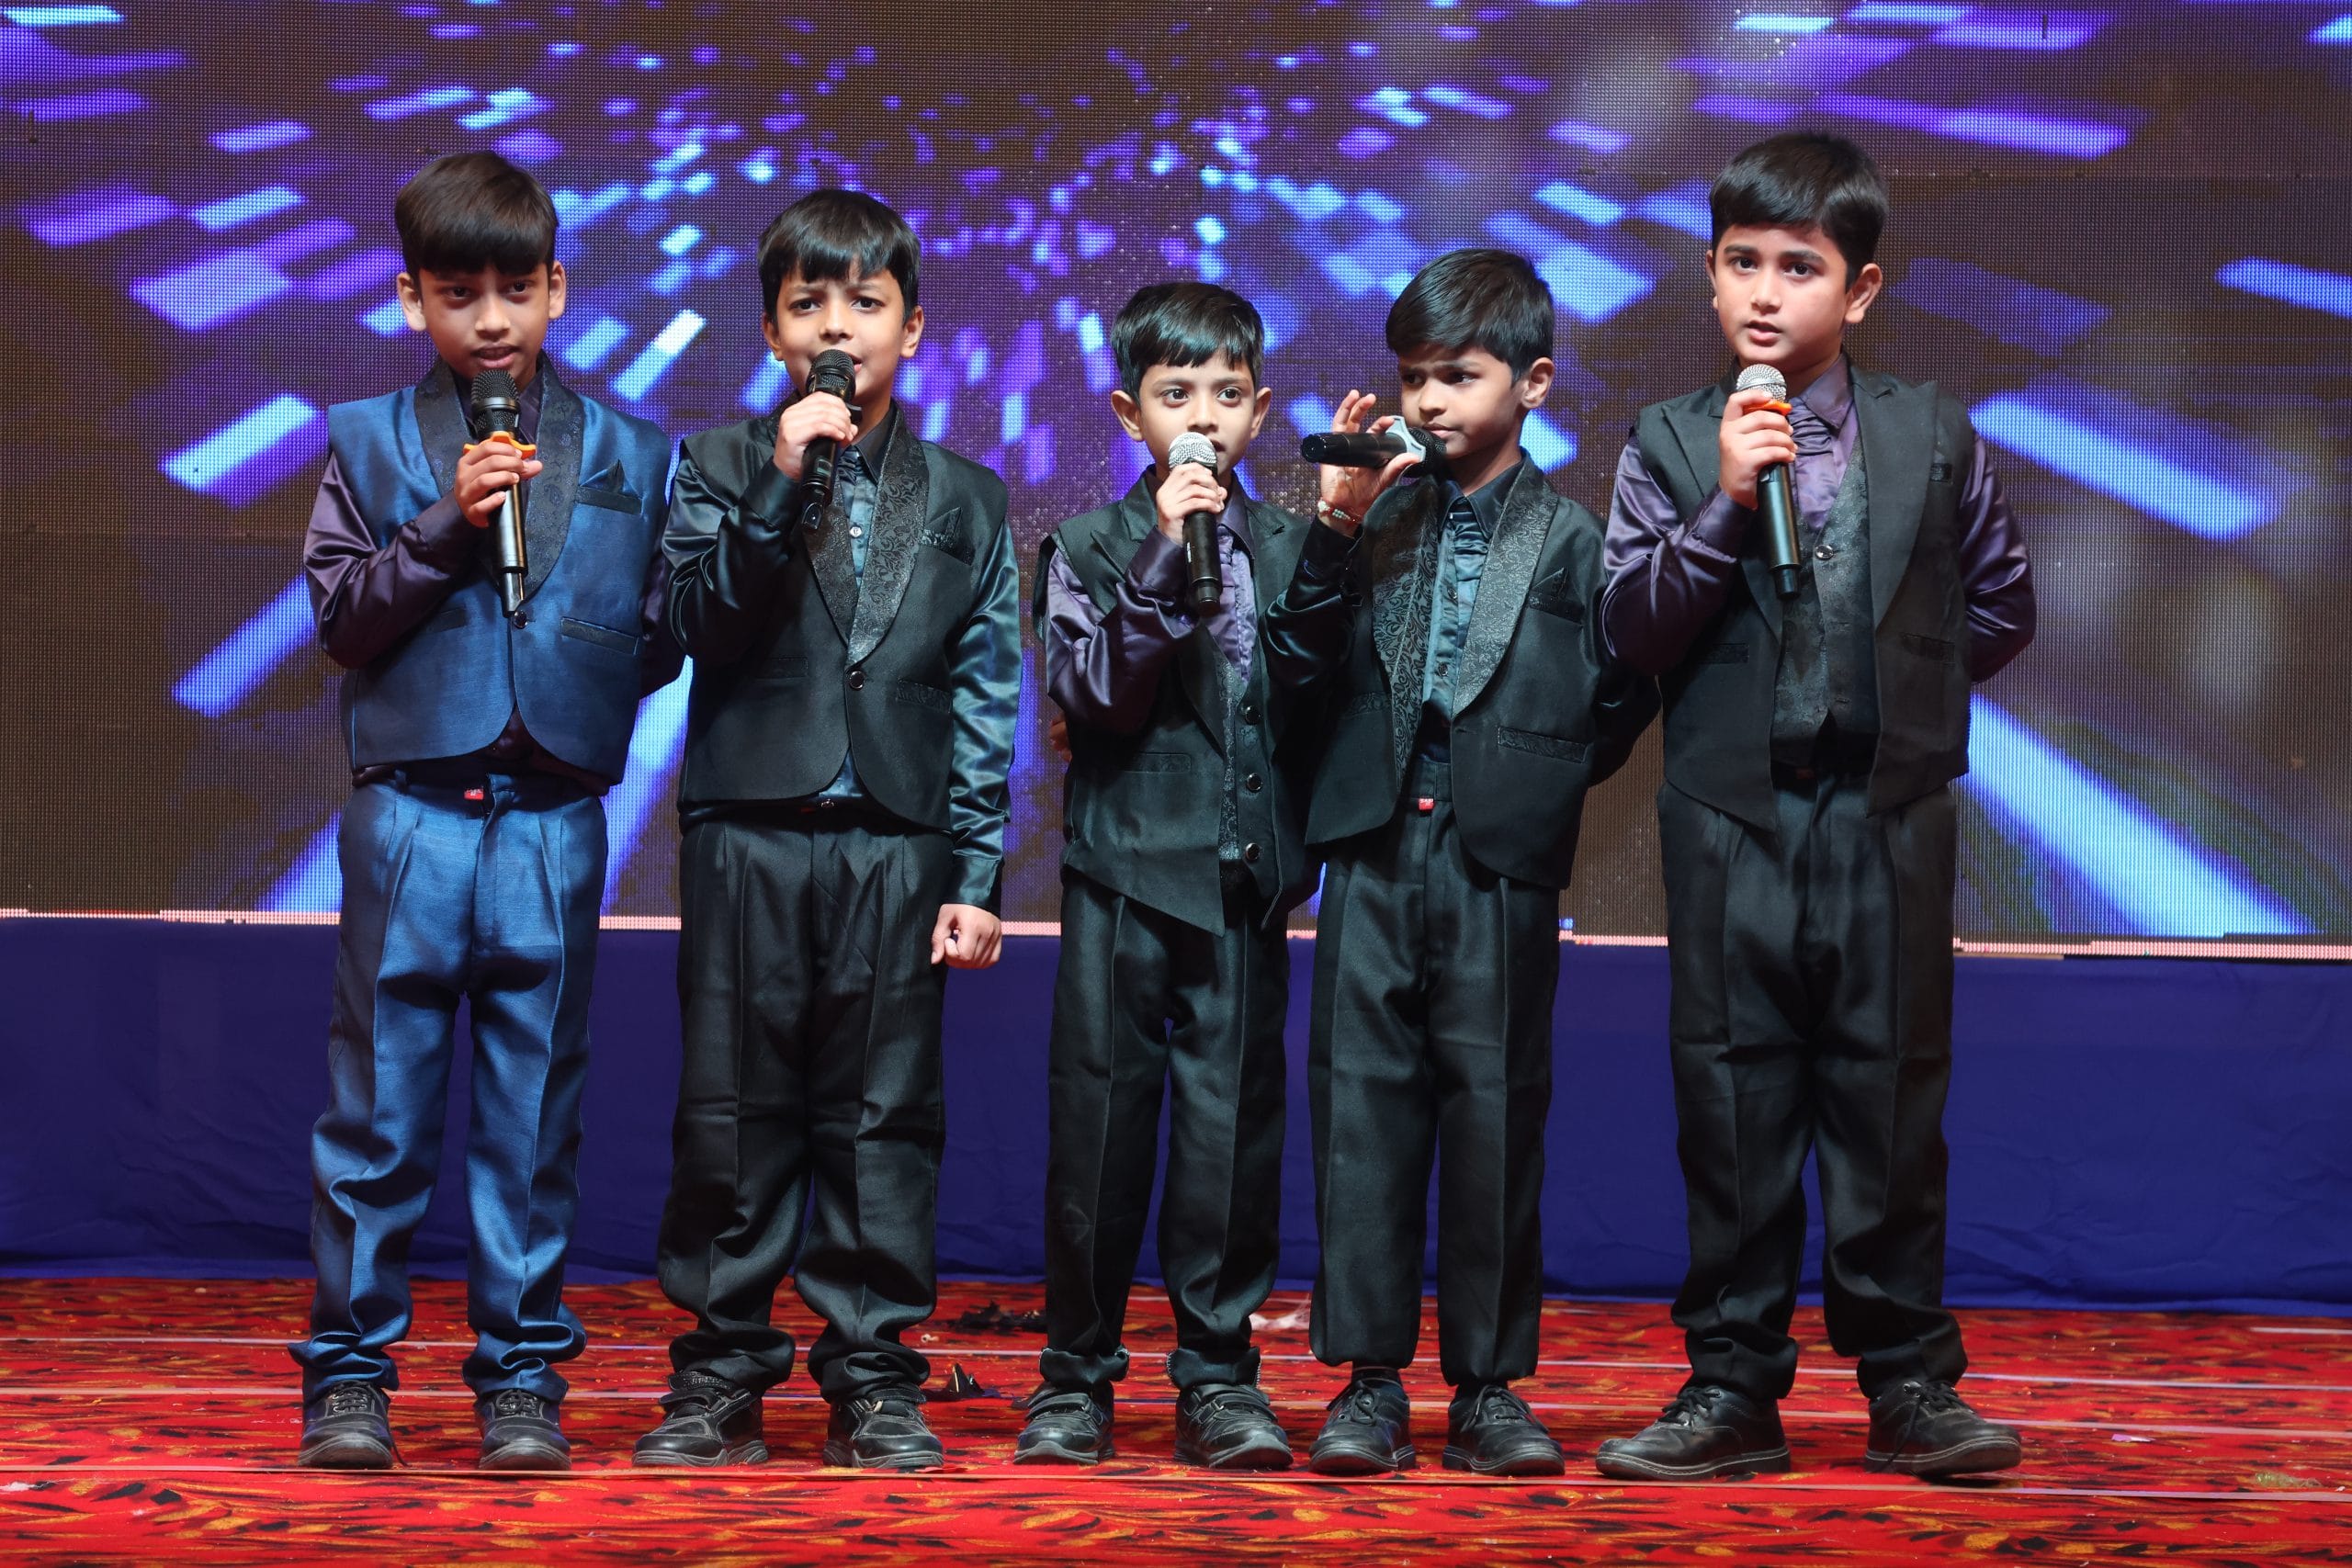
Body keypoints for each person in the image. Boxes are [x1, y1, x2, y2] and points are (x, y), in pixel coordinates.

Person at [1593, 131, 2035, 1481]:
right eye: (1743, 263)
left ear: (1861, 290)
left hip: (1888, 818)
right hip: (1733, 819)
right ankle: (1730, 1387)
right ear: (1709, 275)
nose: (1766, 292)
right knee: (1731, 1104)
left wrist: (1899, 706)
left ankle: (1910, 1384)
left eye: (1801, 267)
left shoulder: (1932, 430)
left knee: (1891, 1100)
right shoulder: (1670, 439)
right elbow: (1631, 631)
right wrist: (1729, 504)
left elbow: (2001, 604)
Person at [291, 150, 679, 1471]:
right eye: (460, 294)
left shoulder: (632, 450)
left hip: (554, 819)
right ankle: (350, 1377)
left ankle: (521, 1379)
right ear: (413, 299)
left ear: (558, 287)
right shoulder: (363, 439)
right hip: (411, 816)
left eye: (517, 289)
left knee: (532, 1119)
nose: (494, 319)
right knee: (377, 1115)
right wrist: (446, 527)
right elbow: (343, 621)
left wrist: (576, 676)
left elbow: (655, 633)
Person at [632, 188, 1021, 1472]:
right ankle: (719, 1373)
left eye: (866, 302)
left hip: (900, 843)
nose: (837, 328)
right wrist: (781, 481)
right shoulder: (717, 462)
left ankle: (874, 1378)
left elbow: (986, 696)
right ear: (771, 331)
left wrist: (976, 869)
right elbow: (695, 623)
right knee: (732, 1112)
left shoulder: (968, 496)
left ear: (914, 327)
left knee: (884, 1117)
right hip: (748, 829)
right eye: (809, 305)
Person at [1261, 248, 1657, 1477]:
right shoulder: (1371, 515)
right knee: (1361, 1114)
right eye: (1415, 377)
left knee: (1496, 1115)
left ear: (1532, 383)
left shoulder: (1576, 537)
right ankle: (1367, 1382)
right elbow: (1297, 668)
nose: (1430, 401)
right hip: (1374, 848)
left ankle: (1488, 1387)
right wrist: (1333, 528)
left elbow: (1617, 696)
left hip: (1498, 858)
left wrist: (1527, 780)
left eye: (1460, 375)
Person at [1015, 283, 1316, 1470]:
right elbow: (1093, 696)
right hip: (1122, 881)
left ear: (1261, 411)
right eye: (1175, 393)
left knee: (1232, 1143)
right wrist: (1158, 557)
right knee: (1097, 1132)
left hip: (1242, 888)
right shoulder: (1085, 546)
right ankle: (1075, 1378)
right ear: (1128, 412)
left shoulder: (1291, 548)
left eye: (1227, 394)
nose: (1202, 417)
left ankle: (1219, 1379)